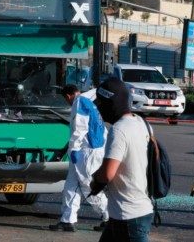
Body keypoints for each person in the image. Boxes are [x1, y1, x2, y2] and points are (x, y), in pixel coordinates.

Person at [91, 77, 153, 242]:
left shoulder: (119, 130)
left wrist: (95, 179)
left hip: (129, 216)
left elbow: (107, 174)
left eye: (102, 104)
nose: (99, 109)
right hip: (133, 211)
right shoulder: (142, 123)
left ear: (112, 104)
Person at [49, 84, 109, 232]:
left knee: (88, 186)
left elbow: (79, 128)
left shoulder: (80, 102)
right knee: (71, 186)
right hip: (89, 150)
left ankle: (109, 216)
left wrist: (74, 149)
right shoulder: (90, 101)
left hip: (86, 152)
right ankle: (67, 220)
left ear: (68, 96)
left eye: (66, 100)